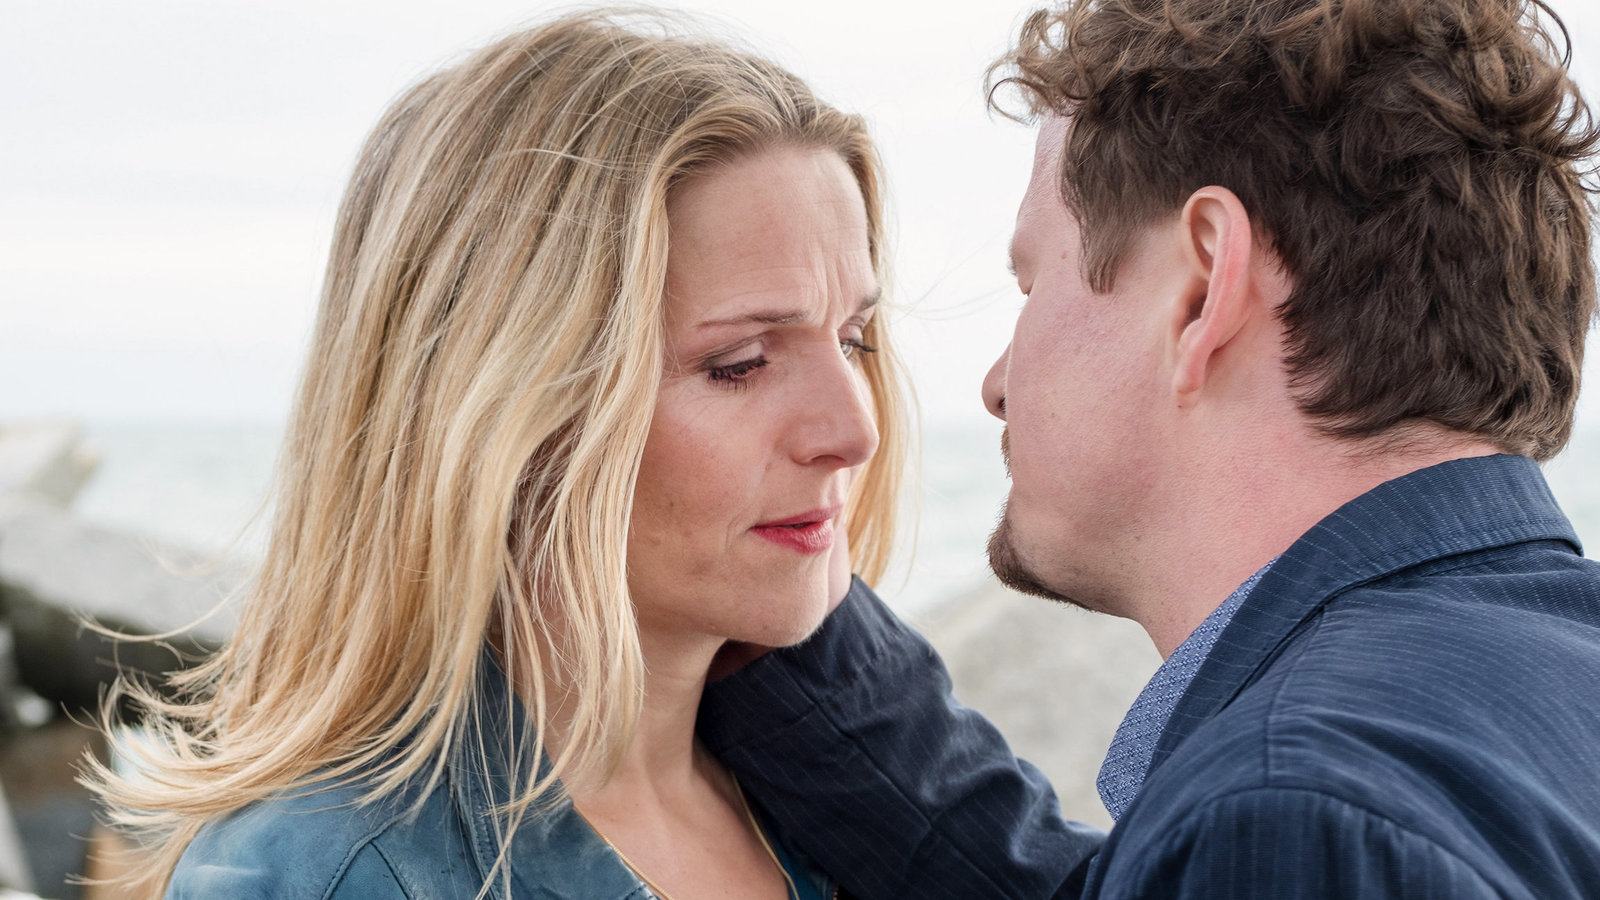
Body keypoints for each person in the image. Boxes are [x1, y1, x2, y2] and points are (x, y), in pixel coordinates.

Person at [699, 0, 1600, 896]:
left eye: (1031, 284)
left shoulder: (1292, 819)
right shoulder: (1529, 692)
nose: (998, 383)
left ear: (1201, 289)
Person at [86, 10, 907, 898]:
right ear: (501, 405)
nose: (853, 430)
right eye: (739, 363)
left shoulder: (859, 799)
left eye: (854, 338)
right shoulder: (333, 875)